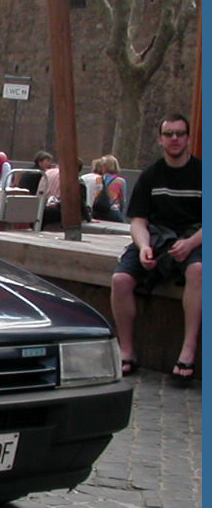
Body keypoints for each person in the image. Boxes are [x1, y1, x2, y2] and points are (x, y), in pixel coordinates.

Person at [111, 113, 200, 380]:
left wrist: (190, 243)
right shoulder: (150, 176)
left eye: (180, 134)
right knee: (120, 280)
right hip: (156, 238)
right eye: (169, 134)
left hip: (194, 239)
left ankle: (188, 351)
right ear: (160, 139)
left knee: (198, 271)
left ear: (188, 138)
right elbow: (138, 222)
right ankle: (126, 350)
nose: (174, 139)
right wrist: (143, 247)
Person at [92, 154, 127, 222]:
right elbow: (122, 201)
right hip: (113, 211)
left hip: (97, 211)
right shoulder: (120, 181)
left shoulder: (97, 179)